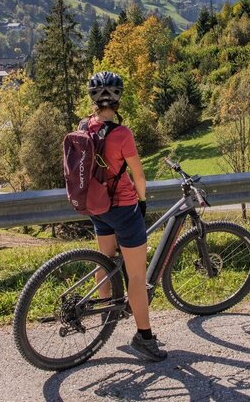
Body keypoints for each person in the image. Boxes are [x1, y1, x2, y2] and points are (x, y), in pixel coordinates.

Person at [84, 71, 167, 362]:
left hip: (97, 207)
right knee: (136, 275)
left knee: (105, 261)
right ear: (118, 98)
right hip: (122, 208)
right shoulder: (121, 133)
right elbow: (139, 175)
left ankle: (106, 319)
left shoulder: (85, 127)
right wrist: (142, 202)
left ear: (93, 99)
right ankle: (144, 338)